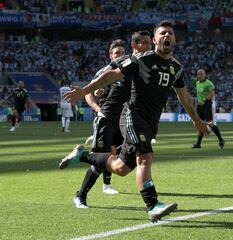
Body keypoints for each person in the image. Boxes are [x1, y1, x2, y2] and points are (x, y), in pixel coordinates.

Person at [59, 20, 209, 222]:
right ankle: (152, 205)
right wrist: (85, 91)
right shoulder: (141, 60)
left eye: (170, 33)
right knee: (145, 157)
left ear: (175, 39)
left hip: (150, 123)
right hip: (132, 116)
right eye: (162, 33)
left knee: (121, 168)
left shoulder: (177, 68)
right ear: (155, 39)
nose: (167, 36)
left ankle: (83, 155)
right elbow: (111, 74)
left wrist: (197, 120)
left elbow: (184, 97)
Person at [73, 33, 153, 208]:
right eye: (116, 53)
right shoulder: (108, 70)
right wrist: (97, 103)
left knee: (116, 158)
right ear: (110, 55)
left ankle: (103, 184)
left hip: (124, 120)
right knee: (102, 160)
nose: (119, 55)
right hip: (107, 118)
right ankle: (81, 195)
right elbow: (91, 90)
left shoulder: (132, 67)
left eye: (122, 52)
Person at [192, 69, 224, 149]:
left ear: (205, 75)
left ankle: (221, 140)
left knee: (210, 123)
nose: (199, 76)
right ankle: (198, 143)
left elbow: (212, 93)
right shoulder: (197, 83)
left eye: (201, 74)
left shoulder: (209, 83)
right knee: (199, 124)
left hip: (207, 105)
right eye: (198, 74)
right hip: (199, 106)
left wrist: (205, 100)